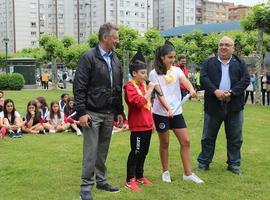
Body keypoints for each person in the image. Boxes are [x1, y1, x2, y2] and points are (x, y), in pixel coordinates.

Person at [73, 23, 124, 200]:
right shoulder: (88, 57)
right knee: (91, 151)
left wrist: (120, 111)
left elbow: (118, 88)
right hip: (92, 112)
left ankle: (101, 181)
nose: (118, 40)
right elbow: (79, 86)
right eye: (115, 37)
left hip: (109, 113)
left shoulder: (116, 59)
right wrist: (81, 112)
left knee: (102, 150)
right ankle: (86, 188)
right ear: (105, 38)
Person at [149, 42, 204, 184]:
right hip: (161, 113)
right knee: (165, 143)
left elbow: (185, 81)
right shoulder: (154, 74)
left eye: (174, 57)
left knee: (186, 141)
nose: (173, 60)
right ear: (162, 58)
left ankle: (188, 173)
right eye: (170, 57)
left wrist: (191, 89)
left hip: (177, 112)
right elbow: (159, 95)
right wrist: (167, 108)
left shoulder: (177, 70)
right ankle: (165, 172)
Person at [197, 36, 250, 175]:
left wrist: (231, 92)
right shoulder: (209, 62)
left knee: (235, 138)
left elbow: (245, 80)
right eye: (221, 44)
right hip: (213, 106)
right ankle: (204, 163)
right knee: (208, 137)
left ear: (233, 47)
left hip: (234, 106)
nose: (223, 47)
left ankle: (234, 165)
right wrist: (215, 91)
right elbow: (203, 78)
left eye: (227, 45)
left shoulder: (240, 63)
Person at [124, 50, 156, 191]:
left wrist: (152, 122)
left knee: (144, 152)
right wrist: (149, 90)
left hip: (147, 125)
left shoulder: (143, 85)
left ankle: (139, 176)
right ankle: (129, 179)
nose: (145, 76)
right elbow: (138, 102)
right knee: (135, 152)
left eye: (145, 73)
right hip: (137, 126)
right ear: (134, 73)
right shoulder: (130, 86)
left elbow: (149, 107)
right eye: (142, 73)